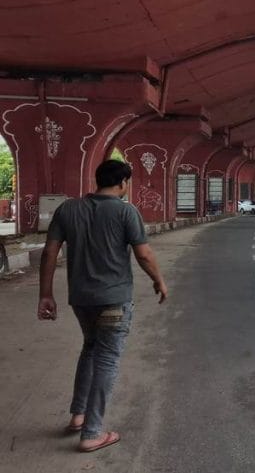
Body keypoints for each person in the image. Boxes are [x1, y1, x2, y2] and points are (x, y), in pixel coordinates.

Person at [36, 159, 168, 453]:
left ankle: (78, 416)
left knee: (90, 348)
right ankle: (92, 433)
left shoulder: (67, 209)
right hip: (114, 300)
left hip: (81, 300)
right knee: (107, 359)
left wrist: (46, 294)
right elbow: (143, 254)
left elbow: (49, 251)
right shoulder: (126, 211)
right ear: (123, 183)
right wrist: (159, 280)